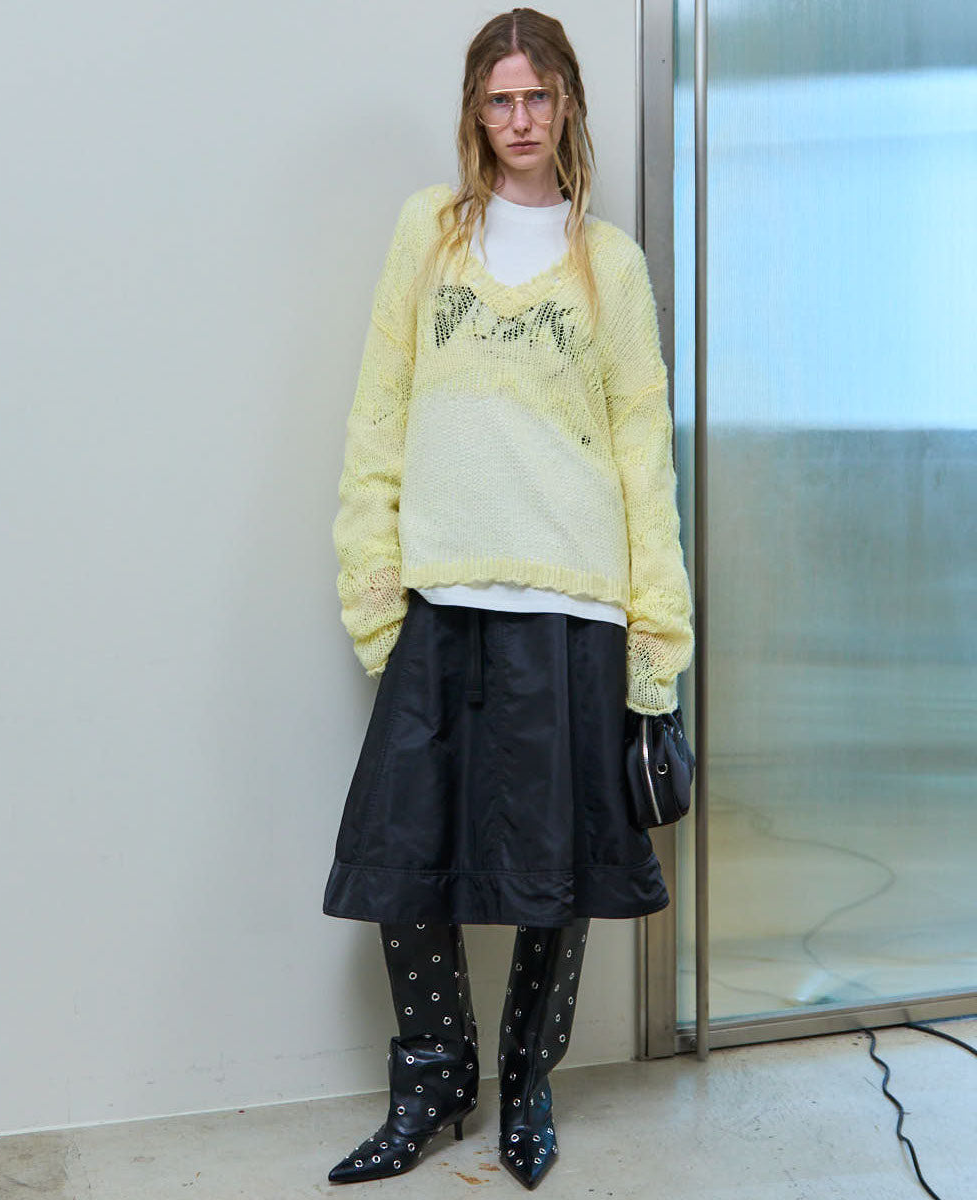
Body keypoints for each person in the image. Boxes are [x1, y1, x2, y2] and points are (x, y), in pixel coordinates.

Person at [322, 6, 694, 1190]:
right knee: (406, 854)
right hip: (444, 591)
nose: (520, 119)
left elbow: (642, 454)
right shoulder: (428, 233)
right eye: (499, 100)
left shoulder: (610, 262)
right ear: (475, 111)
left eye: (537, 97)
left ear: (567, 102)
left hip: (573, 600)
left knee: (551, 872)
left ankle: (528, 1087)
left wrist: (655, 642)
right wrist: (373, 588)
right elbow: (379, 411)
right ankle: (432, 1087)